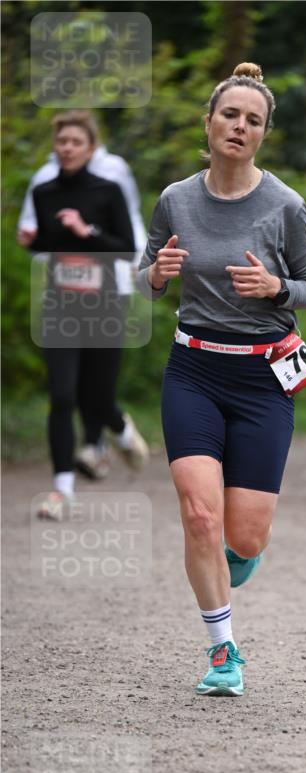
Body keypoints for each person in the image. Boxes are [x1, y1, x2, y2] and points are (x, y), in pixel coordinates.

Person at [136, 62, 306, 697]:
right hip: (193, 369)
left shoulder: (285, 205)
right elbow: (148, 275)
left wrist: (277, 288)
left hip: (263, 378)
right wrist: (159, 273)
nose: (239, 127)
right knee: (199, 517)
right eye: (230, 115)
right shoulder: (175, 198)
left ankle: (233, 560)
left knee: (243, 536)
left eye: (253, 120)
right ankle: (223, 650)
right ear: (210, 122)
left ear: (263, 134)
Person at [25, 110, 149, 520]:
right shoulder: (44, 193)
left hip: (103, 306)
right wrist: (33, 240)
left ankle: (120, 429)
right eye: (62, 142)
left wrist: (86, 232)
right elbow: (47, 243)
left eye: (76, 142)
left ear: (91, 148)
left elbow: (127, 248)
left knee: (96, 397)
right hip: (61, 304)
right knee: (62, 395)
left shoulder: (108, 190)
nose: (67, 148)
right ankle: (61, 490)